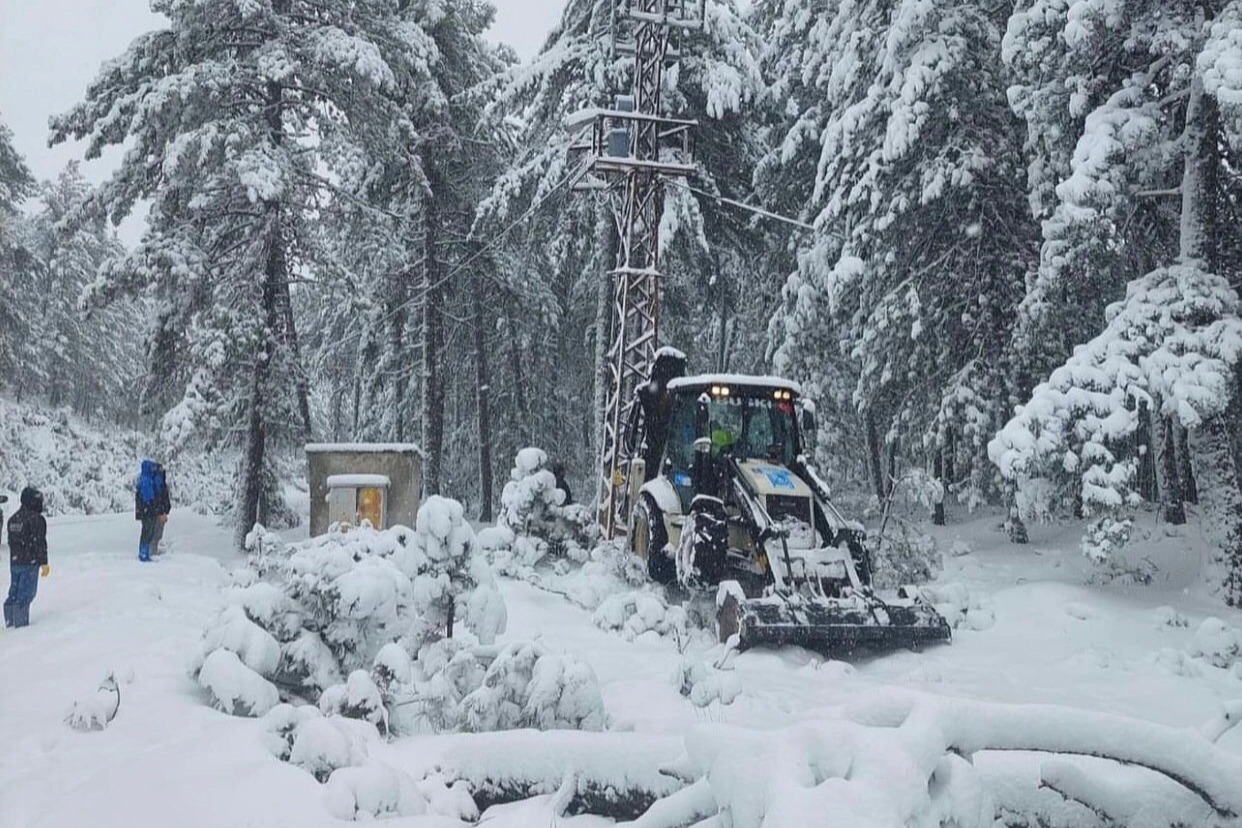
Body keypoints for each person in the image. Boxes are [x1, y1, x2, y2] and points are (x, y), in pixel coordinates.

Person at [4, 487, 49, 628]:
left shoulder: (13, 520)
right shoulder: (37, 519)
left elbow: (12, 542)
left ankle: (10, 622)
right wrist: (44, 562)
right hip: (30, 564)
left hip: (15, 563)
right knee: (25, 595)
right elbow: (40, 542)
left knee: (14, 593)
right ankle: (20, 627)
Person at [135, 459, 169, 562]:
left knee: (147, 532)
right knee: (147, 532)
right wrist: (155, 509)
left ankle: (144, 552)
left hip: (147, 511)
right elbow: (149, 498)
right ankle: (144, 553)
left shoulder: (145, 479)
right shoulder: (146, 481)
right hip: (148, 512)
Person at [150, 463, 171, 556]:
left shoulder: (156, 481)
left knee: (155, 533)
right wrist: (162, 512)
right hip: (159, 512)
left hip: (157, 512)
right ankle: (152, 552)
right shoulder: (159, 481)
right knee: (156, 534)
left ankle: (152, 551)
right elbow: (160, 498)